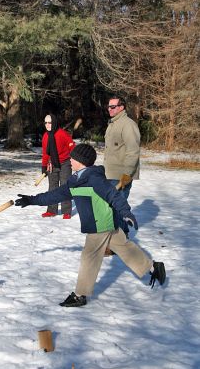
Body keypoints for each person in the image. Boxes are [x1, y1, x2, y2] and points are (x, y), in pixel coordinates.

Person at [15, 144, 166, 307]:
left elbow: (113, 195)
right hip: (105, 223)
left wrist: (126, 213)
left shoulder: (95, 179)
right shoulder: (75, 181)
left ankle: (80, 295)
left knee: (89, 257)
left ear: (80, 161)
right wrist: (32, 200)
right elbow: (55, 195)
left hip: (99, 224)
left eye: (72, 158)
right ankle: (153, 267)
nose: (70, 160)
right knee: (124, 247)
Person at [104, 94, 140, 237]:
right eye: (108, 106)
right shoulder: (113, 124)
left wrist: (126, 175)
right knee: (113, 208)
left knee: (117, 208)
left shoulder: (128, 125)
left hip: (121, 176)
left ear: (121, 107)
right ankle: (120, 239)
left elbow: (133, 152)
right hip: (110, 174)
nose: (110, 109)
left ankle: (120, 241)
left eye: (113, 107)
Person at [41, 113, 75, 219]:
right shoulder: (45, 136)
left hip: (65, 163)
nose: (47, 124)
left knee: (64, 186)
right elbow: (45, 153)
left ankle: (66, 211)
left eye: (50, 122)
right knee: (52, 187)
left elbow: (72, 147)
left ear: (54, 123)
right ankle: (52, 210)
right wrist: (43, 166)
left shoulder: (62, 134)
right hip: (52, 164)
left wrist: (74, 161)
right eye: (46, 122)